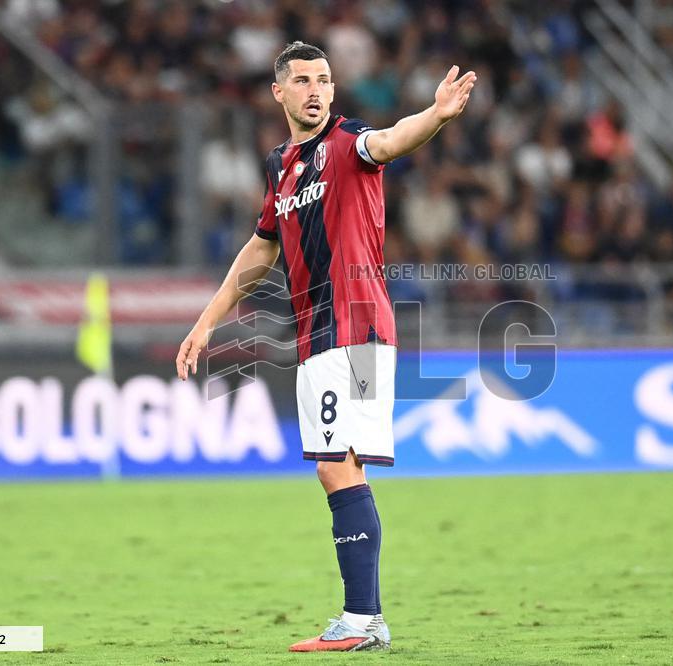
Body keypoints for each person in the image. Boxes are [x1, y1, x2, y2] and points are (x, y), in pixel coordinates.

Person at [175, 41, 475, 652]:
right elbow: (261, 248)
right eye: (303, 80)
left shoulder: (347, 142)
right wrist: (207, 322)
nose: (315, 90)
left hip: (356, 327)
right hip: (319, 334)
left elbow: (389, 141)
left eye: (324, 79)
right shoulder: (280, 165)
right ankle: (365, 619)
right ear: (278, 92)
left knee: (337, 465)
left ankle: (362, 621)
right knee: (338, 466)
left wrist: (436, 115)